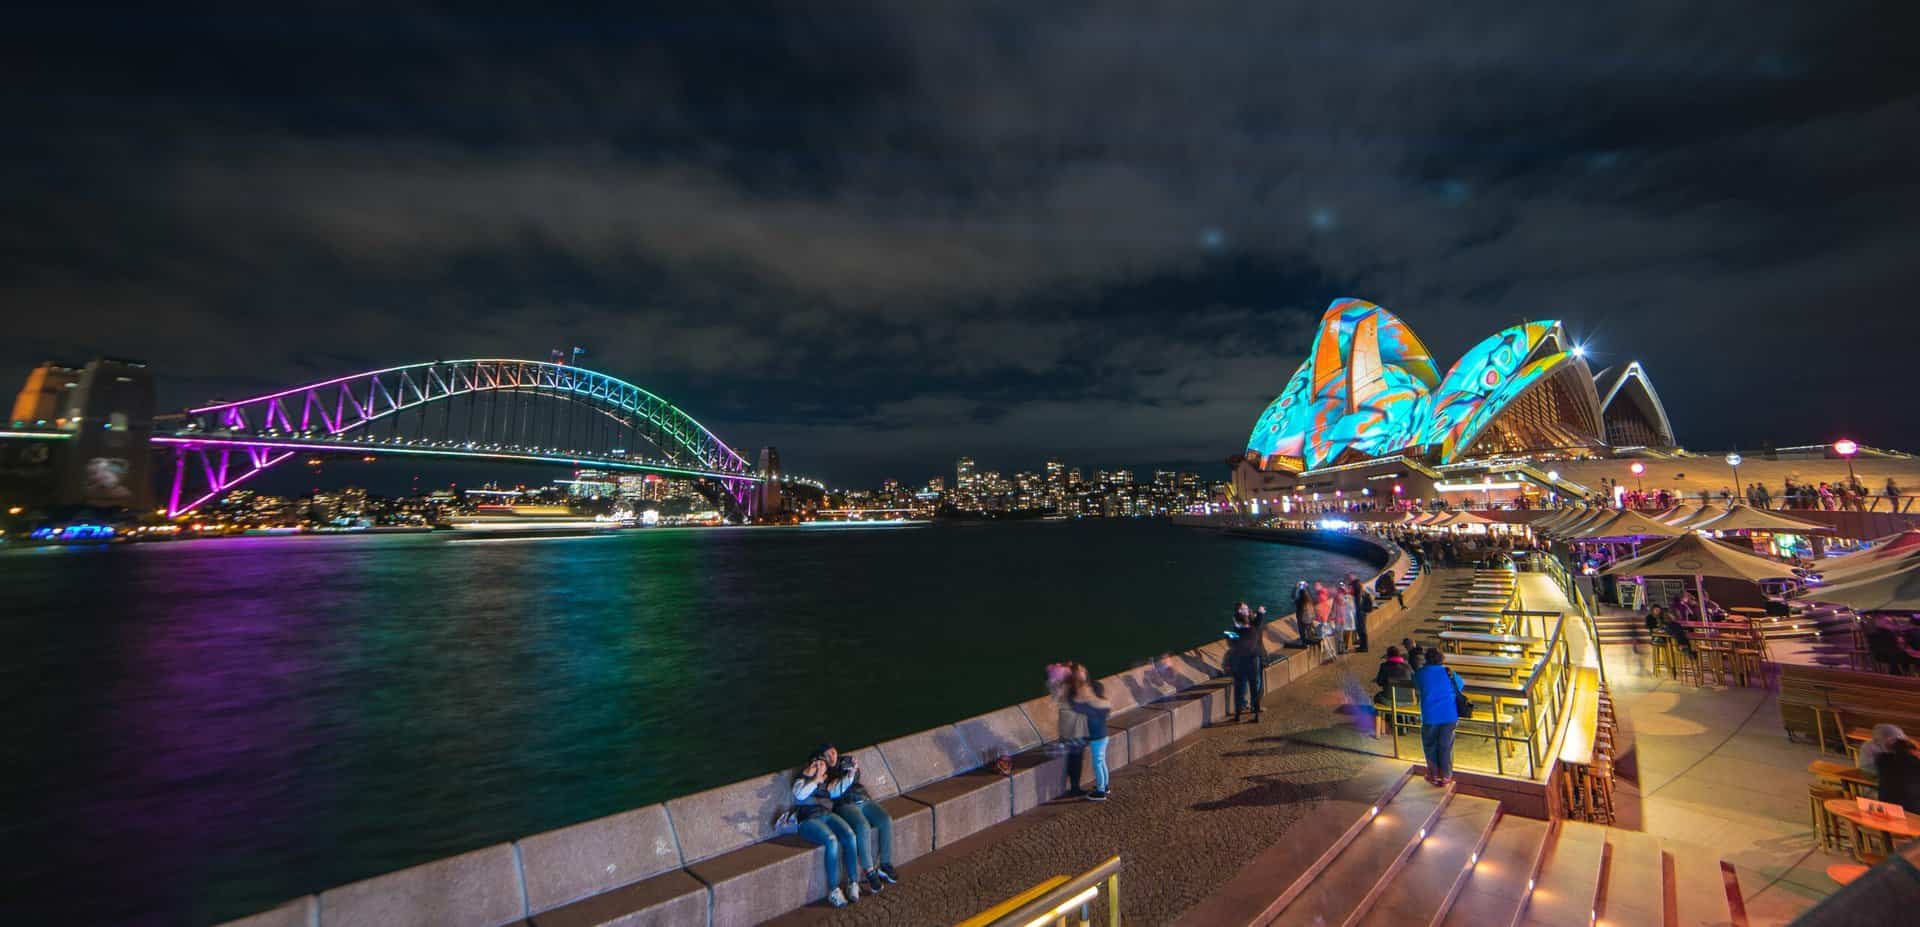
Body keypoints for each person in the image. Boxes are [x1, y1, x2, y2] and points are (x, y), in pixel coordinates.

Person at [813, 745, 897, 894]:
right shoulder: (823, 771)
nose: (832, 757)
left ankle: (885, 864)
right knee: (862, 826)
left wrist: (849, 773)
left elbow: (855, 776)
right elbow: (827, 791)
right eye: (827, 755)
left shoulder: (845, 761)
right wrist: (841, 778)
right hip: (845, 805)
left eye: (833, 752)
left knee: (886, 820)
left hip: (863, 799)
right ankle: (869, 870)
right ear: (822, 758)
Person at [791, 752, 867, 906]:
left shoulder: (824, 782)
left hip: (825, 815)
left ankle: (853, 882)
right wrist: (815, 779)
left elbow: (837, 790)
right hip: (807, 820)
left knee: (849, 835)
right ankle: (834, 890)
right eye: (816, 764)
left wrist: (851, 773)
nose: (820, 767)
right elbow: (799, 795)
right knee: (831, 841)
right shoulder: (801, 780)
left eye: (822, 765)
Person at [1413, 648, 1464, 786]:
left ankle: (1433, 774)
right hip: (1449, 714)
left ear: (1427, 659)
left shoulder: (1421, 673)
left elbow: (1416, 684)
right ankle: (1446, 775)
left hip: (1430, 715)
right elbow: (1460, 685)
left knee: (1430, 745)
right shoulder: (1449, 673)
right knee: (1446, 746)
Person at [1068, 664, 1114, 800]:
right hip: (1103, 735)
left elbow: (1077, 707)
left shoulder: (1090, 705)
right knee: (1102, 762)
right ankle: (1105, 786)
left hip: (1097, 737)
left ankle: (1100, 792)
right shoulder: (1100, 704)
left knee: (1098, 763)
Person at [1047, 662, 1091, 797]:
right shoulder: (1074, 688)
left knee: (1074, 758)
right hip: (1075, 730)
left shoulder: (1063, 687)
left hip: (1070, 728)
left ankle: (1073, 786)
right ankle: (1075, 788)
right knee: (1076, 759)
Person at [1226, 607, 1263, 723]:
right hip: (1254, 661)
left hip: (1241, 663)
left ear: (1238, 622)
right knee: (1254, 688)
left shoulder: (1236, 633)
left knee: (1240, 688)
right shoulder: (1254, 630)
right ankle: (1256, 715)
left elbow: (1231, 643)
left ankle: (1238, 715)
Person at [1874, 737, 1920, 813]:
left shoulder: (1882, 760)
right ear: (1913, 750)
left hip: (1886, 805)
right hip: (1912, 809)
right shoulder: (1915, 764)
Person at [1347, 573, 1372, 652]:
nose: (1351, 588)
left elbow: (1358, 605)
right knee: (1361, 629)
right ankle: (1362, 645)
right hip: (1362, 612)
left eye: (1352, 586)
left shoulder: (1359, 595)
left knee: (1362, 630)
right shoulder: (1362, 592)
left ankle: (1364, 647)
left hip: (1360, 613)